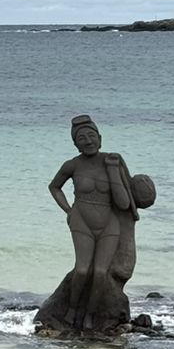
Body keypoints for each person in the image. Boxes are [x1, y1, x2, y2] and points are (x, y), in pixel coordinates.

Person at [48, 115, 136, 331]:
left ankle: (90, 313)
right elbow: (54, 187)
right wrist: (68, 210)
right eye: (81, 138)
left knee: (100, 273)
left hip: (109, 223)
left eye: (91, 136)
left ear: (100, 138)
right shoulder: (72, 165)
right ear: (75, 144)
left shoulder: (112, 161)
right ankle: (72, 308)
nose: (88, 141)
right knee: (81, 270)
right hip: (81, 220)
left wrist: (113, 170)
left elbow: (124, 204)